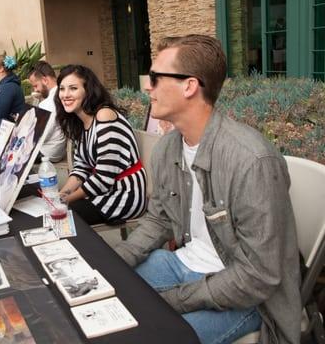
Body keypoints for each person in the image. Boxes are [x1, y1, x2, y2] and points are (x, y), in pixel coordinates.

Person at [115, 35, 300, 344]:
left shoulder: (251, 160)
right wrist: (113, 262)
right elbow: (159, 219)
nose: (148, 86)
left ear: (189, 86)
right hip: (184, 263)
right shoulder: (168, 149)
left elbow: (259, 276)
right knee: (111, 295)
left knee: (154, 333)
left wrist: (175, 300)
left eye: (157, 77)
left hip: (248, 295)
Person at [55, 65, 146, 224]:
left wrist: (66, 200)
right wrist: (61, 195)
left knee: (64, 217)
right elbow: (81, 168)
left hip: (124, 195)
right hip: (103, 191)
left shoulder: (104, 116)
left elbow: (104, 177)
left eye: (73, 88)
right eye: (62, 89)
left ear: (88, 90)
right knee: (57, 212)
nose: (65, 95)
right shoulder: (80, 122)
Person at [28, 61, 66, 162]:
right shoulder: (63, 94)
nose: (35, 90)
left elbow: (41, 135)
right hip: (59, 149)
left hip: (48, 152)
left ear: (44, 80)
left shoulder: (47, 104)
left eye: (36, 86)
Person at [0, 54, 25, 127]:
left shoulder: (7, 87)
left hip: (10, 130)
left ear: (1, 69)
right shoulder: (6, 85)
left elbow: (1, 114)